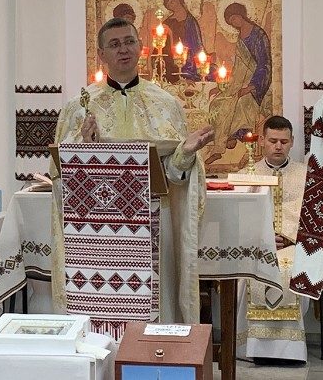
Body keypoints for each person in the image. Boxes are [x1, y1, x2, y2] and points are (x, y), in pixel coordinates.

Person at [51, 17, 215, 324]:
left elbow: (175, 177)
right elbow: (61, 180)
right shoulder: (78, 107)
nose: (123, 49)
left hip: (154, 220)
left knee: (155, 307)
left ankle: (153, 362)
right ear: (100, 55)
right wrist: (85, 148)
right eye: (114, 44)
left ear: (140, 47)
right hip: (96, 233)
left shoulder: (166, 105)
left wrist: (185, 155)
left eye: (129, 41)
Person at [235, 116, 309, 364]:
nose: (278, 146)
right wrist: (264, 239)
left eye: (284, 141)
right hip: (256, 248)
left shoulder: (305, 176)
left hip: (294, 246)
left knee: (292, 270)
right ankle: (254, 347)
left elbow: (314, 216)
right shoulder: (247, 175)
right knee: (249, 275)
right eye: (273, 141)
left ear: (292, 143)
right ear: (262, 142)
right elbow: (239, 218)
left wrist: (289, 238)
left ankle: (291, 351)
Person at [205, 2, 272, 165]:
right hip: (239, 82)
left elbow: (265, 64)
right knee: (218, 103)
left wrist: (250, 87)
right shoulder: (241, 36)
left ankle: (223, 145)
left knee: (240, 104)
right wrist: (223, 86)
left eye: (234, 18)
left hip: (257, 84)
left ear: (241, 15)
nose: (234, 23)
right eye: (230, 21)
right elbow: (238, 67)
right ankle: (227, 139)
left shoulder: (259, 35)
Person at [162, 0, 207, 83]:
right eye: (168, 4)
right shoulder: (167, 22)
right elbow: (163, 48)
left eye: (172, 2)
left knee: (211, 71)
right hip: (172, 62)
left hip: (191, 61)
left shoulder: (190, 21)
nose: (170, 6)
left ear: (179, 0)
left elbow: (197, 43)